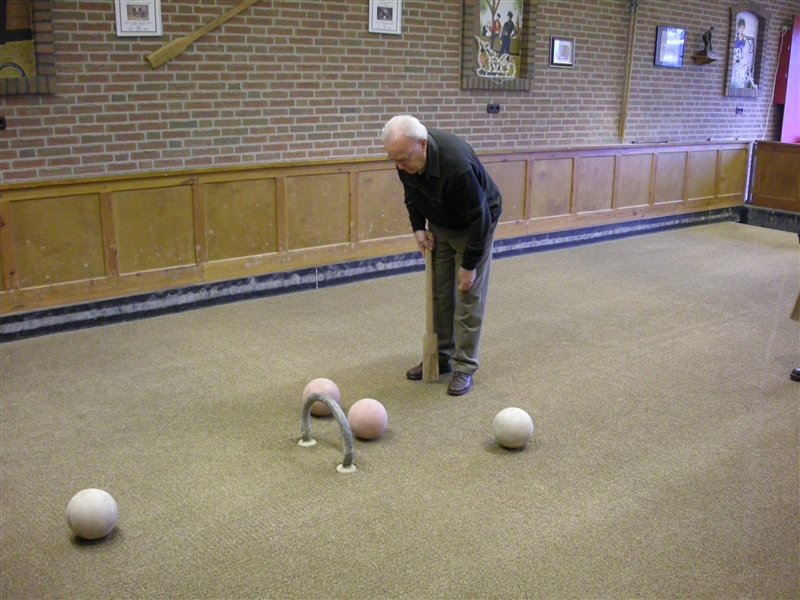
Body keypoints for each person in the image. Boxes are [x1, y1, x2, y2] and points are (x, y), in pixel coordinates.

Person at [380, 115, 502, 396]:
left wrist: (469, 265)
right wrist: (418, 228)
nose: (399, 166)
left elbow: (480, 219)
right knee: (440, 293)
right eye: (393, 160)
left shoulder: (457, 166)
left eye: (403, 160)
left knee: (467, 295)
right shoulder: (404, 157)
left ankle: (464, 366)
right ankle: (440, 357)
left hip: (474, 226)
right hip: (440, 222)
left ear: (422, 145)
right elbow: (412, 193)